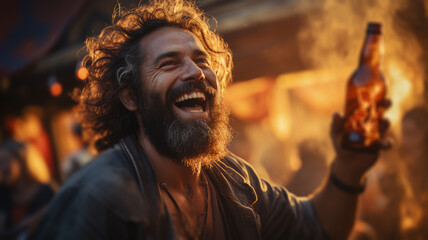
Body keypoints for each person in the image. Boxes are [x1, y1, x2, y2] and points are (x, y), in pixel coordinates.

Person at [34, 0, 391, 239]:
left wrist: (349, 168)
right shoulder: (98, 199)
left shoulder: (234, 180)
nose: (195, 73)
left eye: (202, 61)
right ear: (130, 97)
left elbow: (316, 227)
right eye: (169, 63)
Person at [0, 139, 55, 240]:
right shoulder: (3, 193)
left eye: (5, 161)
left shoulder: (46, 192)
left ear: (22, 161)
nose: (2, 168)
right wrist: (26, 225)